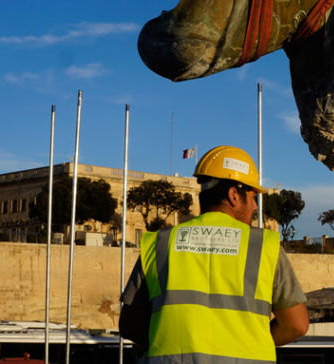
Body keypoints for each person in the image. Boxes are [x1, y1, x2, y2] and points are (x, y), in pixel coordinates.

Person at [119, 145, 308, 363]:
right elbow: (296, 325)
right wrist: (252, 341)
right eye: (252, 196)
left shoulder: (159, 243)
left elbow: (130, 325)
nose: (255, 206)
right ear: (234, 195)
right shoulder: (265, 246)